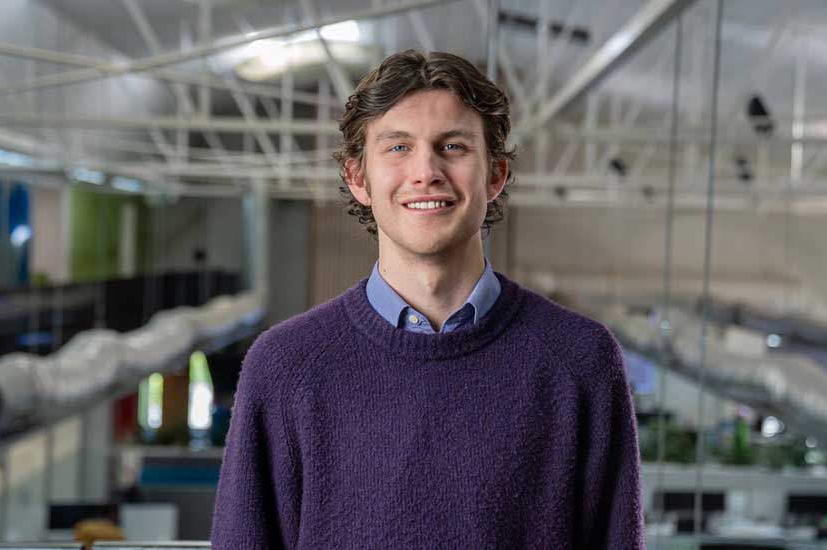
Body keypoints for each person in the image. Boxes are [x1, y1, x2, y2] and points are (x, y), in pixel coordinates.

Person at [211, 49, 643, 549]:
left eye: (453, 146)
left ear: (495, 176)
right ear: (358, 179)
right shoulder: (285, 367)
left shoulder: (579, 360)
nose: (426, 172)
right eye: (398, 148)